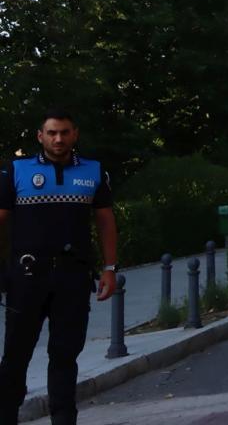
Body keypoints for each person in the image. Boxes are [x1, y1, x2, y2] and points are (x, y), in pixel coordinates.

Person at [0, 110, 117, 425]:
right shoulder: (16, 171)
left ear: (74, 134)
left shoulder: (93, 171)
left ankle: (64, 420)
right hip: (26, 277)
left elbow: (105, 221)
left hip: (73, 278)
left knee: (65, 356)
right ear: (40, 136)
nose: (58, 139)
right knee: (15, 356)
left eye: (64, 132)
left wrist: (109, 268)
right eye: (52, 133)